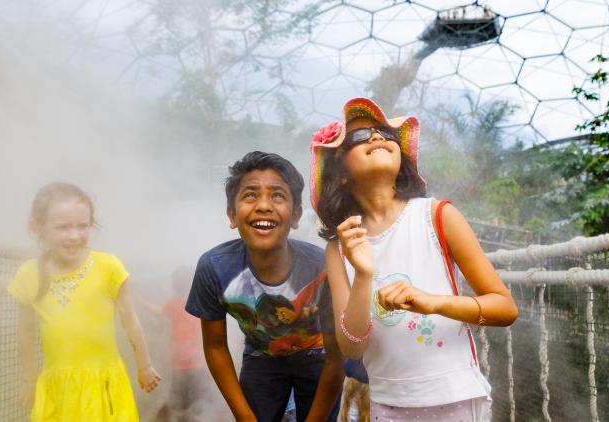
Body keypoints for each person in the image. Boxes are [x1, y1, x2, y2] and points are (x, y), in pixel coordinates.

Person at [309, 98, 518, 421]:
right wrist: (363, 274)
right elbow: (352, 349)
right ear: (342, 174)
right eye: (360, 137)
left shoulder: (437, 215)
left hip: (455, 396)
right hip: (386, 404)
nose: (378, 138)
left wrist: (432, 303)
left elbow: (504, 308)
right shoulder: (339, 249)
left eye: (385, 134)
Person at [185, 151, 344, 422]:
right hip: (262, 355)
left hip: (318, 355)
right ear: (232, 215)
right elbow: (215, 346)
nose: (263, 205)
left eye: (277, 195)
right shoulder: (215, 268)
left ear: (295, 216)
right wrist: (244, 416)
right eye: (250, 195)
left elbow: (336, 357)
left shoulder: (322, 268)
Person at [8, 182, 161, 421]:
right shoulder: (29, 275)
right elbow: (25, 333)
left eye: (83, 226)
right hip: (58, 388)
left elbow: (131, 322)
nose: (74, 235)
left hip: (104, 384)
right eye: (63, 227)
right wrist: (29, 378)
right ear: (38, 227)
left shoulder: (108, 267)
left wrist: (145, 365)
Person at [141, 266, 206, 422]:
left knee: (183, 398)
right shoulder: (198, 302)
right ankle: (191, 416)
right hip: (194, 363)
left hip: (184, 363)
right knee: (195, 399)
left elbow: (160, 311)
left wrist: (142, 303)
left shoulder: (179, 302)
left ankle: (185, 416)